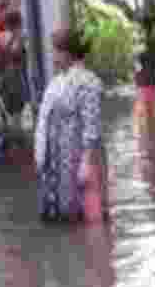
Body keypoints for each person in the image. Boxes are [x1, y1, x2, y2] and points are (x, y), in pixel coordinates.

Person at [35, 27, 107, 223]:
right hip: (57, 167)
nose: (52, 56)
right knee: (64, 219)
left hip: (77, 162)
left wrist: (87, 163)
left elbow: (92, 127)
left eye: (55, 51)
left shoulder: (88, 82)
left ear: (66, 53)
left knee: (88, 220)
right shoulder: (57, 82)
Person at [0, 10, 29, 124]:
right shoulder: (16, 37)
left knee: (9, 116)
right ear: (17, 24)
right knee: (16, 116)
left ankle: (12, 134)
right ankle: (15, 136)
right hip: (13, 81)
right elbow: (17, 53)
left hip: (3, 82)